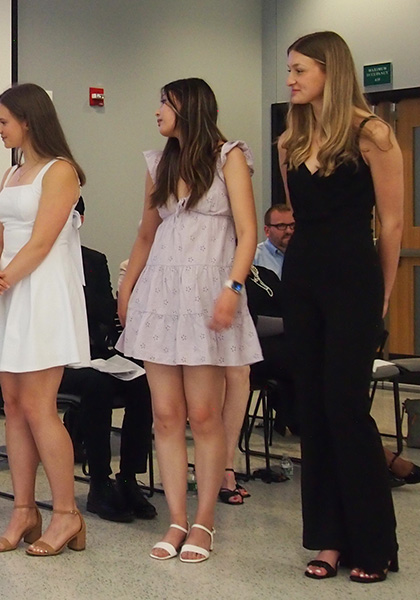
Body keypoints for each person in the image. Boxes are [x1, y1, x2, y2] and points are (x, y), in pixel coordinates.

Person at [117, 78, 261, 563]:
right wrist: (127, 286)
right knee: (165, 415)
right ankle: (176, 518)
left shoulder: (229, 157)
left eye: (165, 102)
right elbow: (145, 233)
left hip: (208, 296)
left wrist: (233, 289)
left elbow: (247, 233)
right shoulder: (159, 164)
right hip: (161, 295)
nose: (157, 110)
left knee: (204, 414)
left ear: (189, 107)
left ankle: (205, 521)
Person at [279, 31, 405, 583]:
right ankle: (327, 539)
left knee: (346, 409)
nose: (291, 80)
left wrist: (385, 291)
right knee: (312, 409)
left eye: (300, 70)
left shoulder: (372, 134)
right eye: (289, 70)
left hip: (354, 279)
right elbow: (299, 220)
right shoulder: (291, 143)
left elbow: (394, 223)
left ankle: (374, 545)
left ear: (330, 71)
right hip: (303, 279)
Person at [0, 83, 89, 556]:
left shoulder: (62, 173)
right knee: (13, 406)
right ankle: (23, 510)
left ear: (28, 121)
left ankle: (66, 515)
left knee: (40, 406)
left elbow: (40, 243)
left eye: (3, 121)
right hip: (9, 290)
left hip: (40, 291)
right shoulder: (12, 174)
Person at [60, 198, 156, 523]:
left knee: (144, 381)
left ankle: (128, 477)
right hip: (52, 358)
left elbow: (105, 313)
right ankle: (98, 482)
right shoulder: (31, 259)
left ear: (80, 220)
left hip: (91, 352)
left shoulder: (93, 260)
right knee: (96, 385)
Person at [218, 203, 294, 505]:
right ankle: (225, 469)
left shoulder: (263, 274)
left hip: (279, 344)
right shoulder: (232, 276)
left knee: (311, 364)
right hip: (256, 346)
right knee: (237, 370)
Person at [254, 203, 295, 278]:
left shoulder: (304, 254)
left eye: (292, 225)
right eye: (281, 226)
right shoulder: (255, 258)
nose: (289, 231)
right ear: (267, 231)